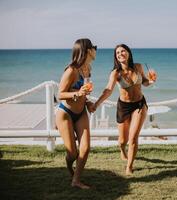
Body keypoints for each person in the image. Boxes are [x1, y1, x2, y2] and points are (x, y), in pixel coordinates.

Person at [93, 44, 157, 175]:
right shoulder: (116, 73)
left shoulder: (138, 67)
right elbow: (108, 90)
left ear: (128, 53)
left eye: (123, 51)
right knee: (123, 141)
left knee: (133, 138)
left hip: (139, 105)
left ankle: (129, 166)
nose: (120, 54)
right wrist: (96, 103)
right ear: (116, 57)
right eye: (117, 53)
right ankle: (122, 150)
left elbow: (144, 82)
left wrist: (151, 81)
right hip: (124, 107)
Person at [55, 38, 97, 189]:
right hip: (65, 113)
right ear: (87, 51)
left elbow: (84, 92)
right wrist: (78, 93)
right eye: (94, 47)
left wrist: (88, 102)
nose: (95, 50)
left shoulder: (88, 69)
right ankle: (69, 166)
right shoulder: (71, 70)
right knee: (72, 154)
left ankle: (76, 181)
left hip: (81, 113)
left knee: (85, 148)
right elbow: (60, 94)